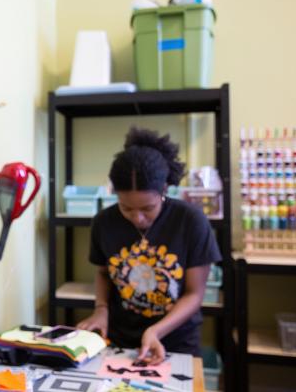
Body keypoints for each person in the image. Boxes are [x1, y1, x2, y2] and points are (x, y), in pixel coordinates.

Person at [76, 127, 221, 364]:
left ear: (164, 190)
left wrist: (155, 331)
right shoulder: (104, 222)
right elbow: (103, 272)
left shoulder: (190, 221)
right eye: (126, 208)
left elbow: (195, 294)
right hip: (119, 340)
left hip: (175, 341)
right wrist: (101, 310)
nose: (137, 218)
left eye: (147, 208)